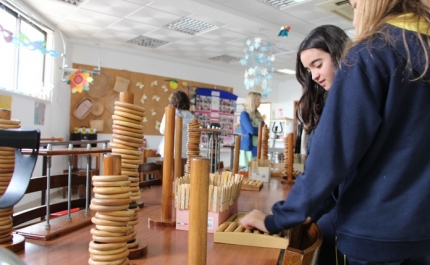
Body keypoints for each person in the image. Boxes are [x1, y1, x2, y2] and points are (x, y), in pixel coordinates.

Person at [240, 0, 430, 264]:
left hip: (374, 233)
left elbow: (332, 156)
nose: (354, 21)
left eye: (354, 6)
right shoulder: (419, 47)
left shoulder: (372, 52)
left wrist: (281, 217)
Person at [295, 24, 350, 265]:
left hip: (346, 216)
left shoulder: (351, 103)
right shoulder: (328, 101)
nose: (314, 75)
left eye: (318, 65)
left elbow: (335, 172)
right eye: (309, 70)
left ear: (339, 53)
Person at [157, 90, 195, 158]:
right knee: (183, 168)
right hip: (185, 152)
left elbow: (162, 130)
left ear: (173, 101)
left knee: (166, 168)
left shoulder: (170, 113)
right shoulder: (192, 117)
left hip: (169, 150)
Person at [239, 92, 263, 168]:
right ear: (252, 100)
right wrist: (260, 129)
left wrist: (261, 129)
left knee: (256, 171)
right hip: (248, 148)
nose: (260, 101)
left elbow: (265, 128)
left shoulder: (258, 115)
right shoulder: (244, 114)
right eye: (258, 99)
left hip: (257, 147)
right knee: (246, 172)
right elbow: (251, 130)